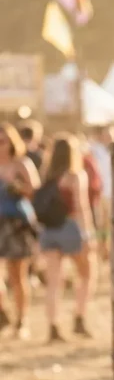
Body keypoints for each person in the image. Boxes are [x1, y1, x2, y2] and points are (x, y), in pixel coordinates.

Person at [39, 134, 94, 342]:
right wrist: (88, 235)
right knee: (87, 274)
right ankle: (79, 317)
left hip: (50, 230)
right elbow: (82, 207)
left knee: (54, 282)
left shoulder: (48, 175)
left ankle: (53, 326)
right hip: (70, 227)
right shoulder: (75, 175)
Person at [0, 122, 40, 337]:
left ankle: (21, 320)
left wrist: (16, 185)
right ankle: (2, 313)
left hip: (16, 223)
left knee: (17, 275)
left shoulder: (21, 163)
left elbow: (34, 191)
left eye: (3, 141)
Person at [88, 126, 114, 259]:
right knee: (101, 223)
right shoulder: (94, 150)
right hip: (100, 194)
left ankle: (112, 247)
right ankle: (103, 248)